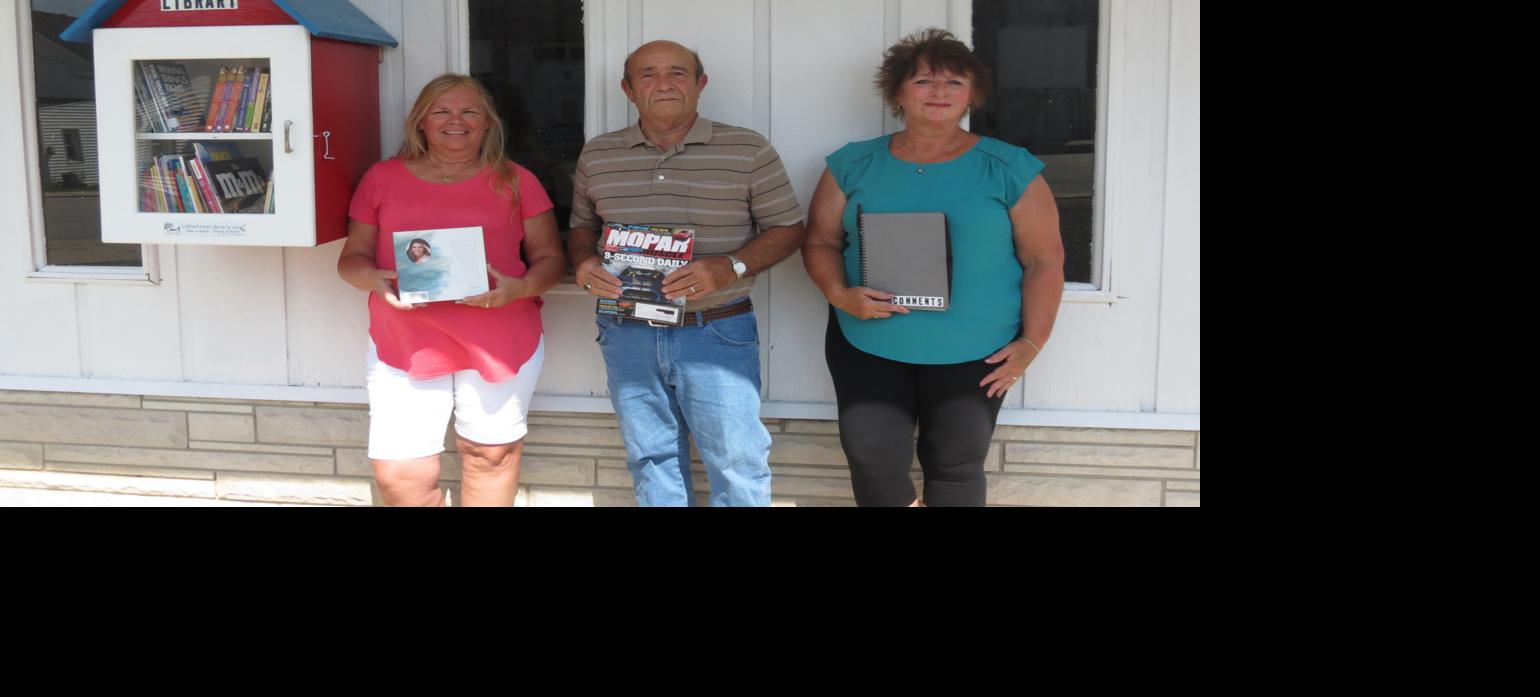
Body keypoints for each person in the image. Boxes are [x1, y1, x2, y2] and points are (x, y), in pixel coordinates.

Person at [801, 29, 1065, 507]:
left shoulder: (1008, 168)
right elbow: (819, 241)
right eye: (923, 81)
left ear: (973, 94)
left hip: (977, 348)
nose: (939, 93)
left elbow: (1044, 260)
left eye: (954, 82)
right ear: (897, 92)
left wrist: (1032, 342)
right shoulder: (852, 164)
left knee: (956, 466)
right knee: (873, 459)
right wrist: (840, 295)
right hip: (870, 340)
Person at [569, 41, 805, 507]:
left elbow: (789, 229)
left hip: (716, 327)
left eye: (678, 73)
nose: (664, 84)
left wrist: (731, 266)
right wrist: (583, 263)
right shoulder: (597, 155)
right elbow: (582, 228)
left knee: (737, 461)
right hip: (626, 329)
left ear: (700, 84)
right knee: (650, 458)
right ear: (628, 89)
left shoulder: (748, 148)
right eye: (649, 74)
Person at [337, 74, 567, 507]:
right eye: (441, 111)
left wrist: (519, 289)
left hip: (499, 336)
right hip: (405, 338)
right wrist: (374, 280)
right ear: (421, 122)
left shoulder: (517, 180)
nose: (455, 121)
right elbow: (352, 259)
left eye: (469, 112)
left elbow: (552, 262)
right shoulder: (381, 179)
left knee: (490, 456)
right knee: (399, 475)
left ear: (488, 124)